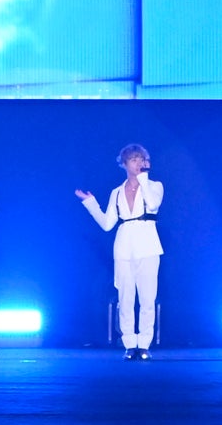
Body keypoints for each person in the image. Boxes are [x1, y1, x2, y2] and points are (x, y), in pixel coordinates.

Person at [76, 144, 164, 360]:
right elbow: (107, 224)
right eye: (134, 159)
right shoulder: (116, 192)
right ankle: (129, 344)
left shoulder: (155, 186)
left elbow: (153, 205)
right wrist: (90, 203)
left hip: (148, 247)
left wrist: (143, 179)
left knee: (147, 299)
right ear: (124, 164)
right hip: (124, 248)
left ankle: (144, 344)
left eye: (141, 159)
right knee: (125, 299)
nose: (138, 163)